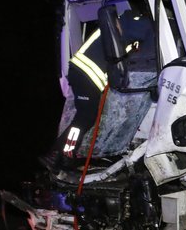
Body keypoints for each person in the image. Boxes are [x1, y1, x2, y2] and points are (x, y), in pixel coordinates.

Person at [39, 9, 154, 173]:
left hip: (82, 73)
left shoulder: (118, 24)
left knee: (85, 117)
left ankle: (64, 156)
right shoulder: (131, 22)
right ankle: (57, 153)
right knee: (85, 117)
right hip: (86, 74)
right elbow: (147, 31)